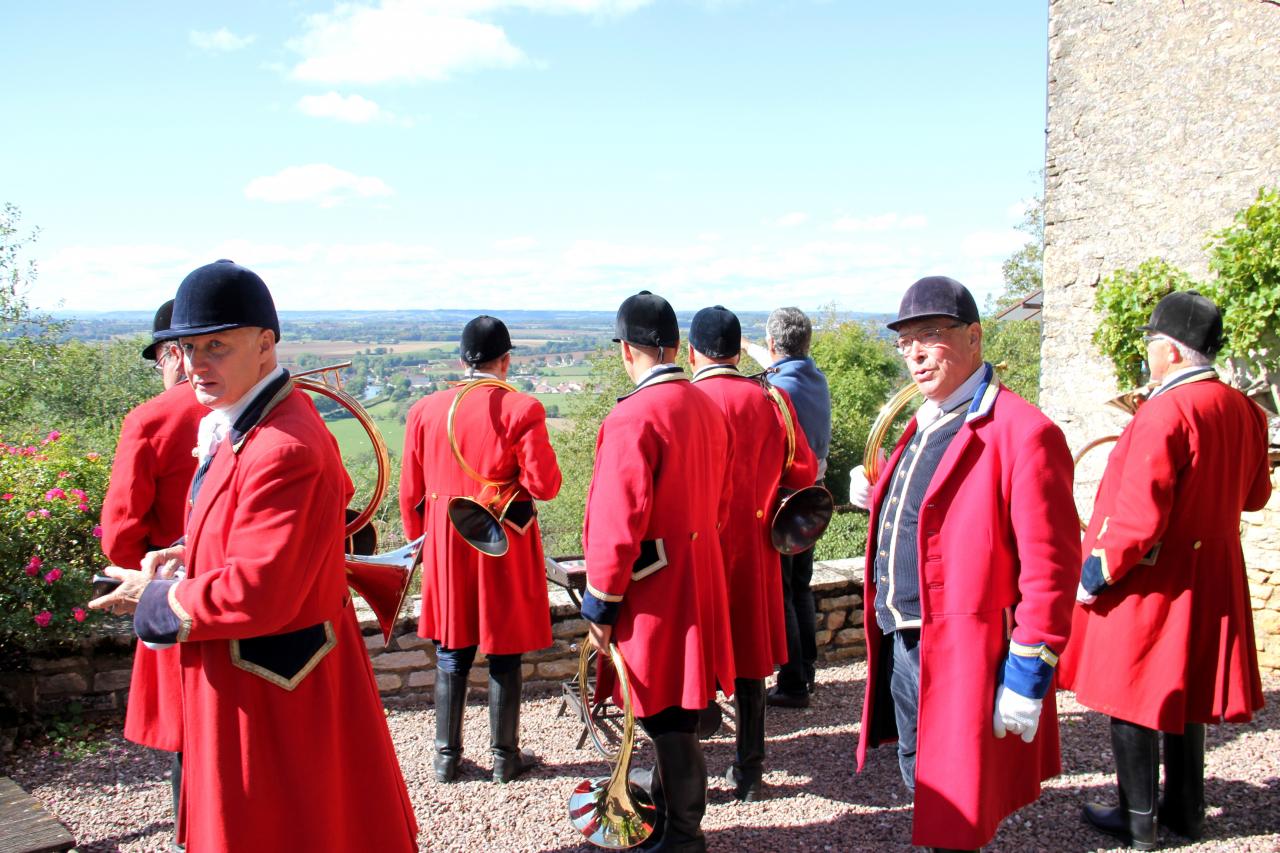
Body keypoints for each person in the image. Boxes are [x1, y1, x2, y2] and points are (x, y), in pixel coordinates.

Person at [90, 260, 418, 853]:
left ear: (266, 344)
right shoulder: (252, 424)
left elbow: (257, 590)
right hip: (262, 671)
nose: (196, 365)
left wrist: (157, 595)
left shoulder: (280, 444)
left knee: (277, 832)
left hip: (270, 687)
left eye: (217, 345)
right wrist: (187, 552)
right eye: (187, 348)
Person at [847, 275, 1079, 851]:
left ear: (974, 338)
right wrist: (874, 493)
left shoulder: (1026, 433)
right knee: (919, 773)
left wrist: (1028, 673)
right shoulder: (925, 420)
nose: (916, 353)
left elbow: (1050, 567)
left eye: (932, 335)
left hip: (962, 649)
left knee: (957, 793)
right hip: (902, 636)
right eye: (906, 342)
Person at [1061, 291, 1272, 850]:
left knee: (1131, 695)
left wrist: (1096, 574)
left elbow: (1138, 520)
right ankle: (1187, 810)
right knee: (1185, 694)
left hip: (1154, 574)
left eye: (1151, 345)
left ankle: (1139, 823)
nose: (1147, 356)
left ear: (1173, 352)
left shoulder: (1166, 409)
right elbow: (1255, 496)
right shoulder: (1245, 408)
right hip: (1214, 571)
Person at [580, 290, 735, 852]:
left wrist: (600, 604)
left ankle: (682, 836)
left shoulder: (631, 416)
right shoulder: (708, 406)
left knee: (666, 717)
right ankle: (672, 820)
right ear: (674, 346)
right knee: (683, 710)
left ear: (627, 350)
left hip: (654, 589)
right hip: (699, 574)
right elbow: (721, 501)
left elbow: (615, 525)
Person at [399, 315, 561, 784]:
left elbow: (411, 493)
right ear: (506, 360)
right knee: (505, 650)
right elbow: (545, 486)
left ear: (461, 360)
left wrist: (422, 548)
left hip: (446, 544)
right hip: (501, 541)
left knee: (452, 651)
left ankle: (446, 759)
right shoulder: (521, 407)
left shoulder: (425, 409)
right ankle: (504, 757)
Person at [687, 305, 817, 801]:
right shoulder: (774, 400)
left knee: (695, 649)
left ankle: (690, 755)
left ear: (693, 352)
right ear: (739, 352)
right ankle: (749, 766)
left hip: (697, 550)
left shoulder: (684, 400)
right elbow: (803, 474)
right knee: (749, 661)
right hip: (755, 550)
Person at [98, 299, 205, 845]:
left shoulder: (149, 419)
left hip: (170, 591)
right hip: (239, 593)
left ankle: (190, 836)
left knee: (189, 729)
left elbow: (119, 533)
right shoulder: (267, 409)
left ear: (170, 353)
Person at [747, 307, 830, 708]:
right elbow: (781, 364)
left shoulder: (776, 392)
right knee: (801, 586)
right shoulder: (814, 378)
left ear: (773, 344)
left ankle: (794, 681)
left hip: (784, 502)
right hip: (812, 497)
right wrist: (749, 347)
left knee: (781, 591)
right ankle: (807, 671)